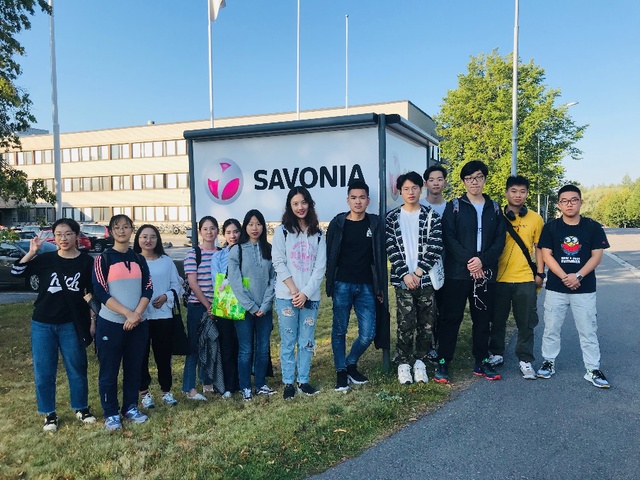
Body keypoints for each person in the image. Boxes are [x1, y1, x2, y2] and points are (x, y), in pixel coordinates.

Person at [11, 218, 97, 432]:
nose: (63, 238)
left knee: (77, 367)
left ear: (76, 236)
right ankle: (49, 413)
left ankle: (82, 407)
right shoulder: (45, 259)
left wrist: (93, 320)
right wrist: (32, 252)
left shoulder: (87, 262)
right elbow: (16, 272)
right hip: (42, 323)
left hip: (72, 323)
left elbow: (91, 294)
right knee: (44, 370)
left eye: (68, 234)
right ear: (54, 237)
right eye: (59, 234)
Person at [434, 160, 505, 384]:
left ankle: (482, 360)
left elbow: (499, 241)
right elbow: (449, 238)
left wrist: (482, 262)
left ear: (484, 179)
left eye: (479, 177)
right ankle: (443, 361)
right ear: (464, 181)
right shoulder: (454, 206)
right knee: (450, 319)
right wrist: (470, 262)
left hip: (484, 275)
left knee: (483, 320)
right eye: (469, 178)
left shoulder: (494, 208)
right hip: (457, 274)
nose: (474, 182)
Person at [536, 185, 610, 388]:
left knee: (588, 330)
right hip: (556, 288)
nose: (569, 204)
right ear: (559, 204)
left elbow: (597, 256)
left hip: (584, 288)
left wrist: (577, 276)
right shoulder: (551, 227)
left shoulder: (592, 227)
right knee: (551, 328)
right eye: (565, 201)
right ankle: (548, 362)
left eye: (574, 200)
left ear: (581, 202)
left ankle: (593, 368)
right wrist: (564, 277)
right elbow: (546, 255)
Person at [93, 214, 153, 430]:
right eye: (117, 227)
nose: (121, 231)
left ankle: (130, 407)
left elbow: (148, 288)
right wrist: (127, 313)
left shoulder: (139, 259)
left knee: (134, 368)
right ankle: (110, 412)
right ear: (111, 231)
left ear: (131, 230)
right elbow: (101, 292)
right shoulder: (102, 259)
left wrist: (136, 315)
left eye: (126, 227)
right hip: (111, 324)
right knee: (109, 371)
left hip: (137, 324)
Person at [326, 180, 385, 391]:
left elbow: (379, 256)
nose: (358, 201)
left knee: (368, 334)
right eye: (354, 197)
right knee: (339, 330)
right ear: (347, 200)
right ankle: (341, 371)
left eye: (362, 197)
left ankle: (351, 362)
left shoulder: (375, 224)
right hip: (342, 284)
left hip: (367, 286)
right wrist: (330, 281)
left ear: (368, 200)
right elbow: (329, 253)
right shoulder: (338, 223)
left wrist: (379, 287)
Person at [386, 171, 443, 385]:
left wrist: (418, 272)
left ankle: (421, 360)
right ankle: (403, 362)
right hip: (403, 280)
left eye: (414, 188)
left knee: (427, 323)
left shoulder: (431, 216)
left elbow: (435, 246)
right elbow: (391, 248)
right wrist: (405, 274)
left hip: (425, 279)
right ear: (400, 192)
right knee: (405, 322)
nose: (410, 192)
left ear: (421, 189)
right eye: (406, 189)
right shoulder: (392, 218)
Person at [272, 186, 327, 399]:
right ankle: (288, 383)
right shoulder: (282, 231)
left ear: (309, 204)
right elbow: (278, 262)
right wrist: (295, 291)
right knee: (288, 340)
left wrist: (305, 293)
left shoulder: (318, 234)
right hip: (287, 297)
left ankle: (303, 380)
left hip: (310, 298)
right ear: (290, 206)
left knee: (306, 341)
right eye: (295, 203)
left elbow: (320, 267)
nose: (300, 207)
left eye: (303, 202)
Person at [489, 176, 544, 379]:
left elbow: (539, 248)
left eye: (522, 191)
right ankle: (496, 353)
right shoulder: (495, 216)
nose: (518, 195)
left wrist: (540, 272)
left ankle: (525, 359)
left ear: (527, 194)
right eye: (513, 191)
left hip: (525, 278)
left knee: (526, 321)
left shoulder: (536, 219)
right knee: (497, 319)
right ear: (506, 193)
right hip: (499, 278)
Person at [228, 209, 276, 401]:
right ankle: (245, 387)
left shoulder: (269, 249)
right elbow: (235, 281)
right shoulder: (237, 250)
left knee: (263, 348)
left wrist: (264, 305)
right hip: (244, 309)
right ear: (245, 227)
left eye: (258, 224)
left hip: (265, 309)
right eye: (250, 224)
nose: (254, 228)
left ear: (263, 226)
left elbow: (274, 279)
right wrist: (252, 306)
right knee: (246, 350)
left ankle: (261, 384)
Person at [133, 224, 183, 408]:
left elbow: (177, 285)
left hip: (163, 316)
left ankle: (166, 391)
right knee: (141, 356)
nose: (148, 240)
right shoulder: (133, 261)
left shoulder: (166, 261)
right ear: (138, 239)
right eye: (144, 236)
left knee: (163, 356)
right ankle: (144, 393)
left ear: (158, 239)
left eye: (152, 236)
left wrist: (166, 296)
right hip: (140, 316)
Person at [182, 216, 220, 400]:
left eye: (212, 228)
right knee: (195, 347)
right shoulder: (193, 254)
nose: (209, 232)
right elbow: (193, 283)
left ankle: (207, 382)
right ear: (199, 232)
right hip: (198, 306)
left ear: (218, 231)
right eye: (205, 229)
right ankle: (189, 387)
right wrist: (208, 306)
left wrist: (217, 306)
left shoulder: (222, 253)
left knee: (212, 345)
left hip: (219, 307)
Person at [210, 218, 242, 399]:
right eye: (229, 232)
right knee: (227, 345)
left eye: (236, 231)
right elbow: (217, 280)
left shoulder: (246, 252)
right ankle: (229, 384)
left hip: (244, 303)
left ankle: (243, 381)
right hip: (225, 305)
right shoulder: (218, 256)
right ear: (223, 235)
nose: (233, 236)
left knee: (243, 345)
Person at [421, 164, 449, 360]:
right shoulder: (420, 206)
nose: (436, 183)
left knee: (444, 307)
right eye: (432, 180)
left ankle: (441, 344)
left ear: (445, 182)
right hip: (424, 267)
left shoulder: (452, 208)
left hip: (447, 264)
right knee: (427, 309)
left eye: (439, 179)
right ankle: (427, 346)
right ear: (426, 184)